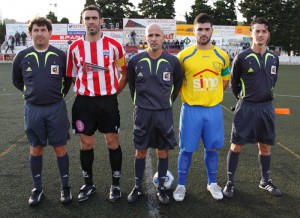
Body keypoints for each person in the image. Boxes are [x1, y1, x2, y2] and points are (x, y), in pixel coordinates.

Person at [66, 5, 127, 203]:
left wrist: (110, 93)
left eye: (94, 18)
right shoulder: (74, 48)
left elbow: (124, 73)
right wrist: (88, 92)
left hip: (108, 102)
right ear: (83, 22)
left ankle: (115, 184)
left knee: (112, 141)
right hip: (84, 103)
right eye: (87, 18)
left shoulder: (115, 46)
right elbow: (73, 76)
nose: (91, 21)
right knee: (86, 142)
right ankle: (88, 184)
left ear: (101, 21)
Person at [12, 17, 73, 206]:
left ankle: (65, 187)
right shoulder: (21, 57)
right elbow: (17, 81)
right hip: (33, 109)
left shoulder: (60, 56)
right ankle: (37, 188)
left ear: (49, 33)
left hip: (56, 108)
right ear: (30, 33)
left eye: (43, 30)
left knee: (60, 147)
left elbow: (68, 80)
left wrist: (58, 95)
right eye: (36, 30)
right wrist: (30, 93)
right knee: (36, 148)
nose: (39, 33)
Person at [173, 13, 230, 201]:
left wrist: (210, 96)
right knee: (186, 149)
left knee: (212, 149)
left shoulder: (222, 55)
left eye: (207, 29)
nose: (203, 33)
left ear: (212, 30)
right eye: (200, 29)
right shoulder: (183, 56)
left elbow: (225, 81)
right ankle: (181, 185)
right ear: (194, 30)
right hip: (191, 110)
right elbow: (178, 81)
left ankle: (212, 183)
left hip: (213, 110)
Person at [222, 17, 282, 198]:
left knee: (265, 147)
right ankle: (230, 182)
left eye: (264, 31)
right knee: (236, 146)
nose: (261, 34)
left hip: (266, 108)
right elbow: (234, 84)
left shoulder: (273, 58)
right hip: (246, 107)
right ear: (251, 34)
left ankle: (265, 181)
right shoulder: (241, 57)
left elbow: (273, 80)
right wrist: (245, 99)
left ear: (268, 34)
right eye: (257, 31)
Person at [127, 23, 183, 205]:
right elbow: (132, 87)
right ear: (145, 37)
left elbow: (177, 86)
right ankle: (137, 186)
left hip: (163, 114)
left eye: (157, 35)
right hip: (142, 113)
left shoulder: (173, 62)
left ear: (163, 37)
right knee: (140, 151)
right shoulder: (135, 61)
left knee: (163, 151)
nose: (153, 38)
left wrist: (165, 103)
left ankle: (160, 188)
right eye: (150, 35)